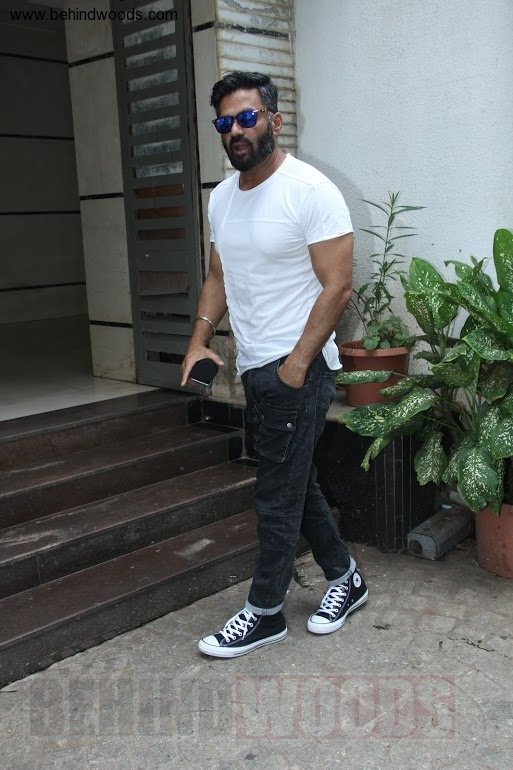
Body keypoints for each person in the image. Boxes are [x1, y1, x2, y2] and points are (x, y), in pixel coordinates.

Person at [181, 71, 368, 659]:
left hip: (297, 368)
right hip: (256, 368)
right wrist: (199, 339)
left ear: (274, 120)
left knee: (275, 496)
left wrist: (297, 364)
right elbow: (219, 275)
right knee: (295, 483)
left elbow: (337, 286)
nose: (235, 130)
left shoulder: (309, 191)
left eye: (247, 117)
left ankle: (265, 612)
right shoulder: (222, 197)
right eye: (225, 122)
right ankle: (345, 578)